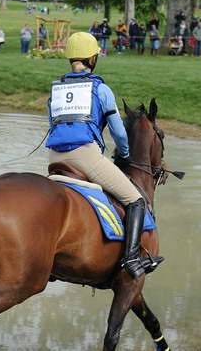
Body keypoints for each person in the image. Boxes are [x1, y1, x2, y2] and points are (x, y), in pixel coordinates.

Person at [45, 32, 163, 279]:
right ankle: (131, 259)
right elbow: (119, 132)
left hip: (54, 159)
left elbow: (53, 123)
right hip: (85, 156)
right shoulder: (100, 89)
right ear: (93, 59)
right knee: (135, 200)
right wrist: (125, 152)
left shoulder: (56, 89)